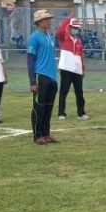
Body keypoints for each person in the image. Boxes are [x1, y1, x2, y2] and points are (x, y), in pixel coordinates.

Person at [28, 9, 59, 144]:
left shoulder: (50, 36)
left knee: (48, 106)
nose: (49, 21)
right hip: (41, 75)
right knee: (39, 107)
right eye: (46, 19)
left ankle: (46, 134)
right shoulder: (34, 37)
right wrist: (33, 81)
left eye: (49, 19)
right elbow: (30, 59)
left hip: (52, 77)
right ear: (39, 22)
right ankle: (37, 136)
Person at [55, 17, 88, 120]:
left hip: (77, 70)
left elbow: (81, 56)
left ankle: (81, 113)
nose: (76, 30)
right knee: (64, 91)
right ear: (69, 27)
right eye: (74, 27)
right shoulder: (63, 37)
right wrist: (68, 19)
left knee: (79, 92)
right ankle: (61, 113)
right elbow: (59, 31)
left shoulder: (78, 41)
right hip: (66, 69)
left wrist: (82, 69)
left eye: (77, 28)